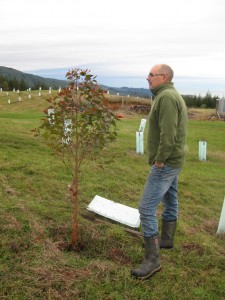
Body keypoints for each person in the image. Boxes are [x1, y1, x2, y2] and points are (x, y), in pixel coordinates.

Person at [131, 64, 188, 280]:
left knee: (145, 207)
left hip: (166, 162)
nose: (147, 78)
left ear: (163, 77)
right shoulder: (168, 94)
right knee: (171, 199)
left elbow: (169, 132)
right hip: (175, 160)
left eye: (151, 75)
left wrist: (160, 160)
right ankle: (166, 240)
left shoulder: (166, 97)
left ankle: (152, 260)